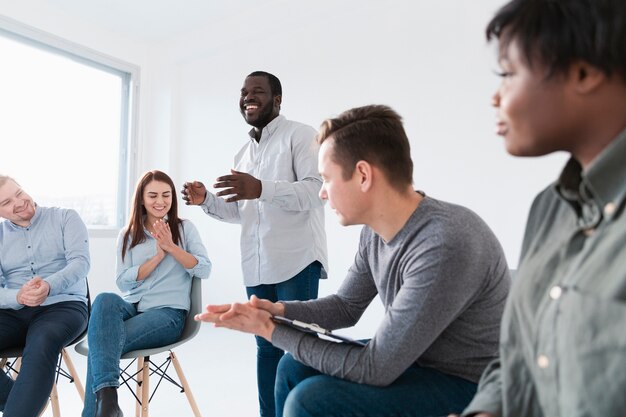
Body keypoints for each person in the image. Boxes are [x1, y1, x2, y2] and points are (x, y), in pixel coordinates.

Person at [195, 105, 512, 417]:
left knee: (310, 400)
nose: (321, 193)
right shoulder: (376, 233)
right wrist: (276, 312)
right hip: (418, 361)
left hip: (471, 385)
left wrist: (270, 330)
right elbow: (345, 307)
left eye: (326, 179)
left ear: (362, 175)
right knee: (293, 365)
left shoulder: (443, 244)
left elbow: (377, 368)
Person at [458, 0, 626, 416]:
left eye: (508, 73)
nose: (495, 97)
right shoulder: (549, 209)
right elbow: (521, 354)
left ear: (583, 72)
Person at [182, 71, 328, 417]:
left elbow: (317, 191)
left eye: (257, 91)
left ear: (277, 100)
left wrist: (261, 188)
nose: (248, 96)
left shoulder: (301, 135)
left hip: (297, 260)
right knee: (265, 348)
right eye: (244, 92)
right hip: (258, 265)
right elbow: (241, 213)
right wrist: (206, 200)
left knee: (297, 349)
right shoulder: (242, 152)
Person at [81, 170, 211, 417]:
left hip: (168, 314)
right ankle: (109, 404)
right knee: (104, 300)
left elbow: (204, 269)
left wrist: (171, 247)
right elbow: (123, 282)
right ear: (141, 199)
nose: (160, 201)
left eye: (166, 195)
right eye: (152, 195)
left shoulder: (185, 229)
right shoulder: (129, 234)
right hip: (132, 308)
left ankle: (102, 409)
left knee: (102, 346)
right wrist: (157, 257)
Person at [0, 175, 90, 417]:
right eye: (6, 202)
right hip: (15, 310)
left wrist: (49, 286)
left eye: (19, 193)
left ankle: (21, 406)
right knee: (23, 398)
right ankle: (20, 400)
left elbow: (80, 263)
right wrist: (17, 296)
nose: (18, 203)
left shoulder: (65, 217)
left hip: (64, 305)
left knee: (42, 340)